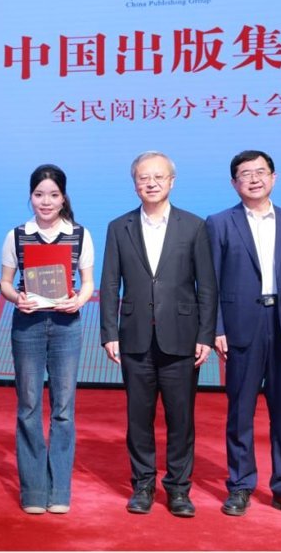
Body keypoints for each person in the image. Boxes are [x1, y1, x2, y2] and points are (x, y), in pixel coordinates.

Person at [99, 151, 217, 518]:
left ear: (171, 182)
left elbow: (207, 287)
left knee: (181, 418)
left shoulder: (194, 226)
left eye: (158, 177)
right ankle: (143, 485)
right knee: (139, 417)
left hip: (182, 337)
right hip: (134, 337)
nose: (151, 183)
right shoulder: (118, 227)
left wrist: (206, 335)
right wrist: (109, 332)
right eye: (143, 177)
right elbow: (109, 284)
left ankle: (179, 489)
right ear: (134, 183)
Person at [206, 150, 281, 521]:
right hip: (241, 327)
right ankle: (240, 485)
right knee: (240, 411)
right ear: (233, 182)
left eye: (260, 172)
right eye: (245, 173)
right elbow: (210, 283)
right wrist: (216, 328)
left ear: (274, 177)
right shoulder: (219, 223)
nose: (254, 179)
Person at [0, 164, 95, 515]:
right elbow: (5, 283)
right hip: (29, 324)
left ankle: (60, 489)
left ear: (63, 198)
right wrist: (17, 298)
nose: (46, 201)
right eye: (39, 195)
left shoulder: (79, 234)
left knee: (64, 408)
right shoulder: (17, 235)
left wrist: (78, 300)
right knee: (28, 406)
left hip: (67, 324)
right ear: (31, 197)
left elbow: (88, 283)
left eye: (53, 195)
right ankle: (34, 489)